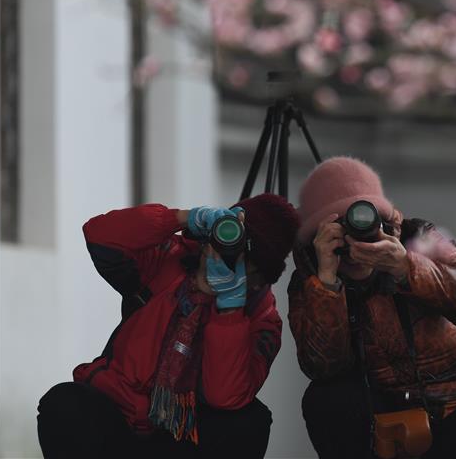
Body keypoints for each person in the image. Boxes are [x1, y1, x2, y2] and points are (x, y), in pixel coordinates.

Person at [288, 156, 456, 459]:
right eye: (340, 231)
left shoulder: (419, 240)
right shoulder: (311, 277)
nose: (354, 242)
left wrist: (406, 267)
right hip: (381, 406)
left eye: (364, 223)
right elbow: (323, 368)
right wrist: (327, 283)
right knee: (325, 398)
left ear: (385, 221)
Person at [37, 194, 299, 459]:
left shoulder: (262, 318)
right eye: (224, 249)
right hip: (120, 414)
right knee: (65, 403)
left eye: (242, 262)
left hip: (184, 435)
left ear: (259, 280)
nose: (225, 262)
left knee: (249, 422)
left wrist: (229, 307)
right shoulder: (171, 258)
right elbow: (99, 235)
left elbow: (224, 396)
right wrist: (183, 218)